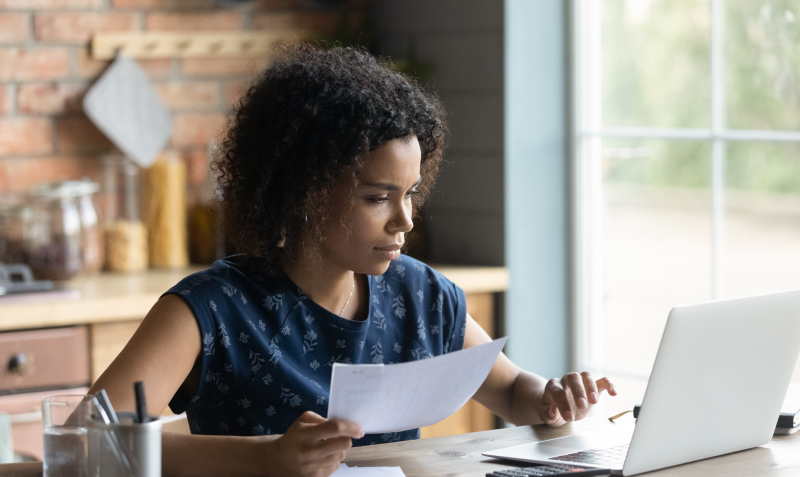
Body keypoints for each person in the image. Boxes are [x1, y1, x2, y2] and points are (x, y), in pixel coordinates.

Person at [89, 43, 617, 477]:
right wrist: (267, 458)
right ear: (305, 193)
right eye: (376, 198)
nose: (404, 220)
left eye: (410, 194)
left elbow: (511, 390)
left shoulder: (421, 295)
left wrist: (552, 397)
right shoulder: (211, 310)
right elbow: (91, 443)